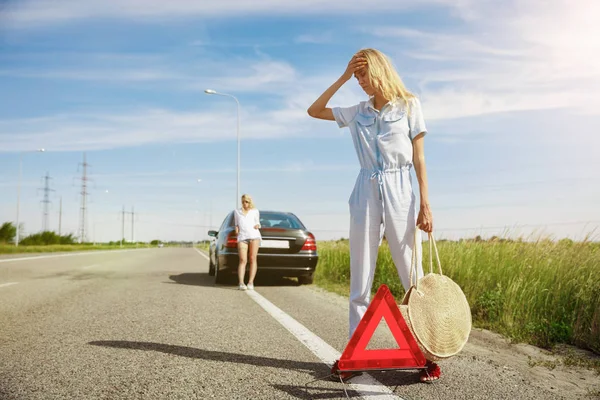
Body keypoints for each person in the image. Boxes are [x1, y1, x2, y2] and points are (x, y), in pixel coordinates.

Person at [307, 48, 438, 383]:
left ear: (380, 70)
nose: (361, 83)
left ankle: (426, 355)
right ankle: (354, 354)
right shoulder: (357, 111)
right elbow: (314, 110)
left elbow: (420, 160)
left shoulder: (410, 105)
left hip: (400, 190)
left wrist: (425, 203)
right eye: (357, 77)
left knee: (412, 274)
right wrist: (341, 76)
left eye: (364, 75)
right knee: (359, 276)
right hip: (365, 190)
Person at [233, 194, 261, 291]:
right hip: (242, 238)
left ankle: (250, 282)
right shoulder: (237, 212)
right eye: (243, 202)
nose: (245, 204)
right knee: (242, 260)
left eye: (247, 202)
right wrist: (237, 231)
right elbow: (236, 224)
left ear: (250, 202)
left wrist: (258, 225)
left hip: (254, 236)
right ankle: (241, 283)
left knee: (253, 258)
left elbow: (258, 223)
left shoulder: (255, 211)